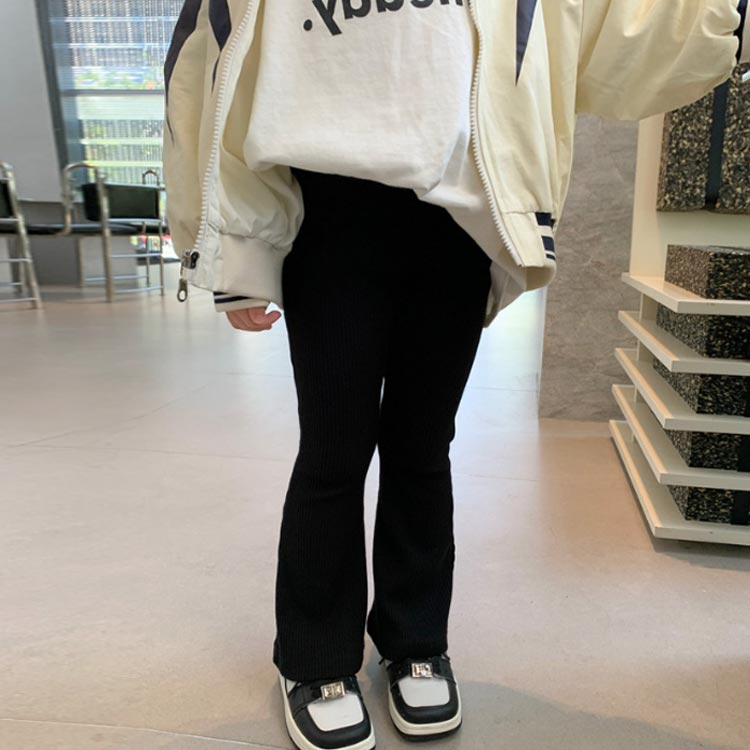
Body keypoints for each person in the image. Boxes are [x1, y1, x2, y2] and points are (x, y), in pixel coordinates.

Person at [162, 2, 749, 748]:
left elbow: (612, 28)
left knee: (421, 443)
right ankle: (314, 657)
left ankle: (415, 640)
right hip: (325, 209)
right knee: (335, 447)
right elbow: (206, 58)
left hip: (460, 213)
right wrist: (234, 247)